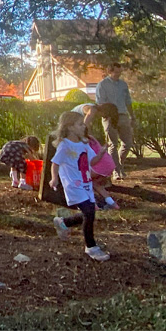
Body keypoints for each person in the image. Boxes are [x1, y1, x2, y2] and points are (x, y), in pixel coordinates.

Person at [49, 112, 111, 261]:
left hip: (85, 183)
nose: (84, 126)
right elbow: (55, 163)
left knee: (89, 212)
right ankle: (91, 247)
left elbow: (92, 161)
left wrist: (101, 153)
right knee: (89, 211)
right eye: (80, 124)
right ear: (70, 127)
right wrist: (54, 179)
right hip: (72, 184)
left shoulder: (84, 144)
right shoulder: (64, 145)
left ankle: (63, 222)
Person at [95, 62, 135, 180]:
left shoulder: (123, 84)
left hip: (123, 115)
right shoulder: (102, 85)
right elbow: (100, 103)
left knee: (127, 143)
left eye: (120, 72)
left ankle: (119, 165)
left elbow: (128, 101)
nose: (118, 74)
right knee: (113, 144)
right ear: (110, 72)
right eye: (116, 72)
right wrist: (107, 115)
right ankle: (116, 171)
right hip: (110, 117)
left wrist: (132, 115)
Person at [87, 135, 119, 210]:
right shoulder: (93, 139)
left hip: (99, 166)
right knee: (95, 184)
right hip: (109, 164)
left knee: (84, 181)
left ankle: (93, 205)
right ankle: (113, 204)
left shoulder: (83, 143)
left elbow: (92, 161)